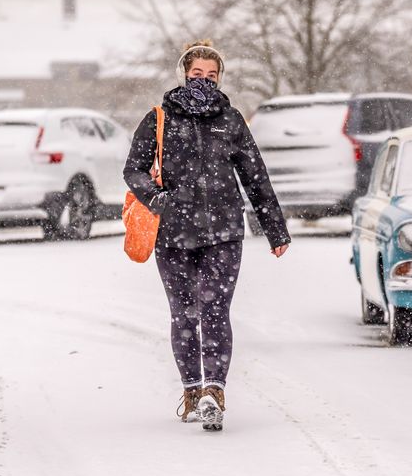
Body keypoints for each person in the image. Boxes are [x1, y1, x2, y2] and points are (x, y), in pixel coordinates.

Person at [123, 40, 290, 431]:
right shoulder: (159, 118)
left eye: (211, 76)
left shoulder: (230, 120)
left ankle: (215, 392)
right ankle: (193, 392)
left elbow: (255, 178)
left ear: (219, 79)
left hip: (223, 232)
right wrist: (158, 199)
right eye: (197, 74)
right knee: (184, 315)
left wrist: (275, 230)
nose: (203, 81)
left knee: (215, 311)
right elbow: (133, 170)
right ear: (185, 74)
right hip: (173, 233)